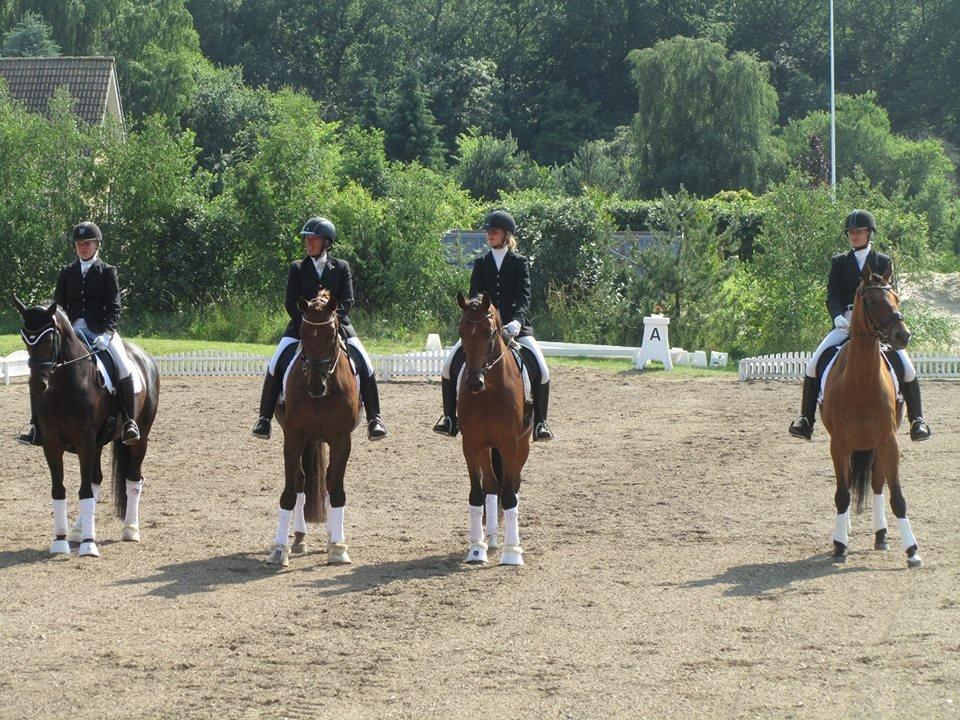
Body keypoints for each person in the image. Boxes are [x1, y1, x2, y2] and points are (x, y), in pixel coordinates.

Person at [788, 209, 932, 442]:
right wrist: (837, 317)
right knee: (813, 364)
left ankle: (918, 420)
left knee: (907, 367)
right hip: (846, 320)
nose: (854, 235)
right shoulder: (839, 262)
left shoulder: (882, 261)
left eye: (859, 231)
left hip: (877, 323)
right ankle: (805, 420)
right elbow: (832, 295)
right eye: (851, 232)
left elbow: (890, 295)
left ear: (869, 233)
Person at [251, 216, 387, 441]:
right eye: (306, 239)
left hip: (336, 326)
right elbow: (290, 302)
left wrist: (330, 322)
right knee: (275, 363)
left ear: (326, 242)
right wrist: (307, 322)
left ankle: (375, 418)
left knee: (365, 362)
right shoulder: (297, 267)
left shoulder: (341, 267)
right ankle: (264, 419)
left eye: (313, 239)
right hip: (301, 326)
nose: (308, 242)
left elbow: (347, 301)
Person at [433, 209, 554, 441]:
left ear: (506, 235)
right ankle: (449, 419)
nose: (489, 234)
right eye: (488, 231)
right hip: (482, 328)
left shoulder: (519, 263)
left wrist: (517, 322)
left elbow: (524, 296)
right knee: (449, 366)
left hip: (515, 328)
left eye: (494, 231)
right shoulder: (481, 263)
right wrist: (479, 315)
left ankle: (541, 423)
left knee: (542, 369)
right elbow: (475, 295)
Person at [18, 221, 140, 446]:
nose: (82, 247)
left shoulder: (107, 271)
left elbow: (114, 306)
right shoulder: (67, 272)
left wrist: (108, 332)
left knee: (123, 366)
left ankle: (129, 422)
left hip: (101, 332)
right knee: (41, 368)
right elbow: (59, 305)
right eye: (79, 244)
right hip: (70, 332)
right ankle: (36, 426)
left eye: (87, 243)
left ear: (96, 245)